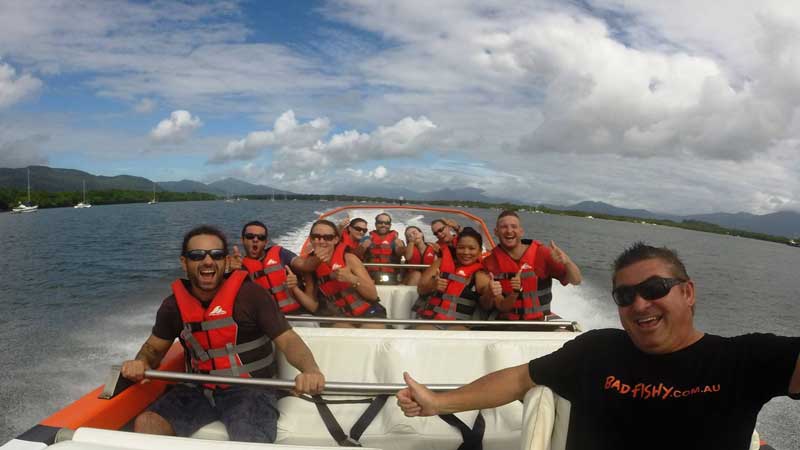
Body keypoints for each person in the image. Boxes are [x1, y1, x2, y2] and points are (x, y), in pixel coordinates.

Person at [397, 242, 800, 450]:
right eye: (624, 296)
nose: (639, 303)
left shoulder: (743, 360)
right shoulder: (595, 351)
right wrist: (437, 402)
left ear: (688, 292)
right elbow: (519, 379)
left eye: (654, 289)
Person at [121, 225, 325, 443]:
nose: (207, 261)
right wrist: (141, 362)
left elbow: (288, 340)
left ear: (226, 262)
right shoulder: (173, 307)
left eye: (216, 255)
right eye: (197, 255)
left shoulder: (252, 296)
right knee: (148, 423)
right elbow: (153, 349)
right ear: (184, 263)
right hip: (198, 388)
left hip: (251, 390)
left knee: (248, 437)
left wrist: (310, 370)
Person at [483, 210, 581, 320]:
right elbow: (492, 305)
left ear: (521, 231)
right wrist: (490, 293)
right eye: (504, 227)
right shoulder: (489, 262)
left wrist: (567, 262)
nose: (509, 231)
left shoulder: (543, 253)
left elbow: (576, 281)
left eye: (514, 227)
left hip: (541, 321)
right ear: (496, 232)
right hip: (508, 323)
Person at [414, 227, 500, 330]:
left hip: (458, 325)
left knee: (456, 334)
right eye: (461, 247)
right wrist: (433, 285)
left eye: (471, 248)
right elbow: (421, 290)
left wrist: (490, 293)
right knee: (425, 331)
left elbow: (486, 305)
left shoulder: (480, 275)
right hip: (429, 321)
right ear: (456, 248)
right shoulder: (440, 263)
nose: (466, 252)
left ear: (479, 251)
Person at [230, 220, 319, 314]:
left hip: (296, 315)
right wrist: (230, 272)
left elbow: (305, 265)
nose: (255, 240)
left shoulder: (280, 253)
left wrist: (320, 255)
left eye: (261, 237)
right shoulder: (239, 267)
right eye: (250, 236)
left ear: (265, 242)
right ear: (242, 240)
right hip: (266, 321)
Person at [309, 219, 385, 328]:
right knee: (343, 332)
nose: (321, 241)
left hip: (368, 312)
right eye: (316, 237)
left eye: (328, 237)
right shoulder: (308, 265)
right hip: (337, 316)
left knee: (371, 330)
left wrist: (352, 279)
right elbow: (313, 304)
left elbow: (373, 295)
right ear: (310, 239)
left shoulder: (349, 259)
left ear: (335, 240)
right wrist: (294, 288)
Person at [361, 213, 406, 284]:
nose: (383, 225)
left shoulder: (397, 241)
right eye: (380, 222)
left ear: (390, 225)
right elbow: (356, 255)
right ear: (376, 224)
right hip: (368, 274)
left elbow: (400, 254)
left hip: (390, 275)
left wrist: (401, 247)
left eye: (386, 223)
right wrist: (363, 247)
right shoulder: (366, 239)